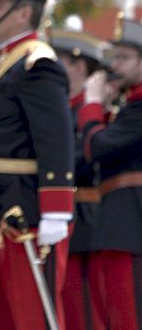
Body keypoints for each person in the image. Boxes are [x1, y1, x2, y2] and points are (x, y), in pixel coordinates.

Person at [0, 0, 74, 330]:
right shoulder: (2, 62)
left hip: (24, 211)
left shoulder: (37, 64)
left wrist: (56, 209)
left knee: (30, 314)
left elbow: (55, 138)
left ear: (24, 12)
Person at [79, 17, 142, 330]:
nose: (114, 65)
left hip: (131, 227)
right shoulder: (130, 106)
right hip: (121, 226)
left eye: (124, 58)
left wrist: (92, 105)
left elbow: (100, 148)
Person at [49, 27, 107, 329]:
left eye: (58, 62)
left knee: (83, 313)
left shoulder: (91, 111)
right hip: (63, 224)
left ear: (79, 66)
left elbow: (80, 160)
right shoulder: (61, 109)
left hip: (85, 224)